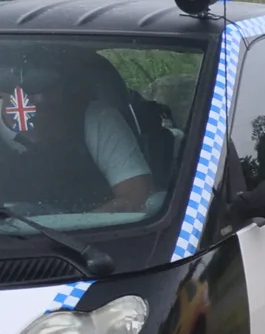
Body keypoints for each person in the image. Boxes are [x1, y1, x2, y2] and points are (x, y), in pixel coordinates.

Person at [0, 53, 155, 214]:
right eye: (29, 89)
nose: (42, 99)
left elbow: (138, 196)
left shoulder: (95, 119)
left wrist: (75, 229)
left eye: (51, 86)